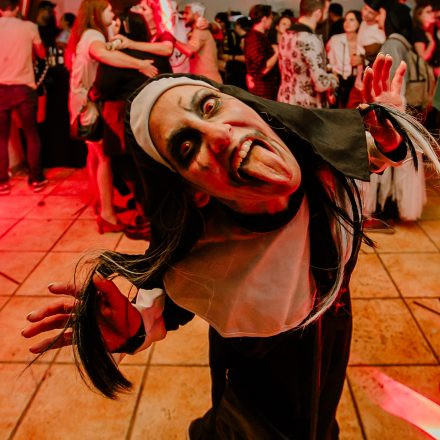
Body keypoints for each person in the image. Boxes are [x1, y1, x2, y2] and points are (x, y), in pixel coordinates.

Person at [23, 55, 440, 439]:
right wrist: (131, 328)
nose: (220, 135)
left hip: (330, 340)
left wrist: (388, 137)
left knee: (319, 422)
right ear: (195, 191)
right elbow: (169, 299)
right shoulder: (207, 243)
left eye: (209, 106)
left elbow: (366, 153)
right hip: (255, 386)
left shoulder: (317, 163)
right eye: (187, 147)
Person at [67, 0, 158, 233]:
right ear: (96, 13)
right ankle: (107, 215)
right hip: (87, 107)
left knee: (95, 156)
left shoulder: (87, 34)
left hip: (80, 104)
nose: (112, 13)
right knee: (105, 158)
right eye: (107, 9)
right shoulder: (93, 35)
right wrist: (139, 64)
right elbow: (101, 53)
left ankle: (100, 203)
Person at [362, 2, 427, 226]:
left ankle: (383, 214)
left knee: (388, 165)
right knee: (399, 167)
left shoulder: (391, 43)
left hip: (393, 111)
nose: (378, 17)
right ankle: (390, 212)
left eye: (382, 13)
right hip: (406, 110)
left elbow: (389, 84)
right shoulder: (406, 44)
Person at [0, 0, 48, 195]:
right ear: (18, 7)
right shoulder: (29, 27)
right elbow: (41, 54)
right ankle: (36, 179)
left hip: (0, 88)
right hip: (23, 86)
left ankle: (2, 182)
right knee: (31, 133)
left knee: (1, 137)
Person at [278, 0, 338, 108]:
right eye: (326, 11)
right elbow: (321, 84)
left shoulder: (286, 34)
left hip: (285, 99)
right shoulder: (310, 39)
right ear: (317, 13)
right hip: (305, 105)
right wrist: (334, 79)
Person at [173, 2, 222, 82]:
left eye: (187, 13)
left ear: (196, 14)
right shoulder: (188, 27)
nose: (184, 16)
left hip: (207, 80)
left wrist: (171, 39)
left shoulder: (200, 29)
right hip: (200, 79)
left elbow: (190, 50)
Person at [327, 10, 365, 108]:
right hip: (338, 82)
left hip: (357, 85)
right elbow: (329, 61)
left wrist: (362, 59)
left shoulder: (364, 41)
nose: (347, 23)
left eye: (351, 20)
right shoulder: (335, 39)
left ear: (359, 23)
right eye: (345, 20)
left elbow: (370, 60)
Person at [244, 4, 279, 100]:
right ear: (264, 19)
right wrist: (277, 53)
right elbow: (263, 68)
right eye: (270, 18)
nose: (271, 21)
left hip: (265, 87)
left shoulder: (259, 36)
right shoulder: (255, 38)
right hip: (262, 89)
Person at [357, 0, 386, 65]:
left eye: (371, 13)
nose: (365, 14)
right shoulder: (363, 23)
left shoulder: (380, 30)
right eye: (365, 9)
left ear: (378, 15)